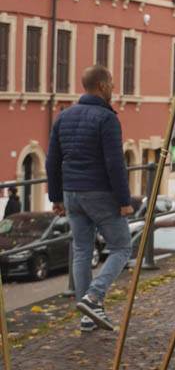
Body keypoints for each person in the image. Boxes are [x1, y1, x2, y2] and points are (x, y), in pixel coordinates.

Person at [47, 65, 134, 333]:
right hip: (99, 192)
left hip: (72, 193)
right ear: (102, 86)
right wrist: (124, 199)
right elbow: (114, 163)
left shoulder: (64, 116)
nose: (113, 88)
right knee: (122, 247)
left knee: (83, 251)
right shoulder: (106, 119)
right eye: (111, 83)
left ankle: (88, 315)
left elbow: (52, 161)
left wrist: (56, 196)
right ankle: (94, 295)